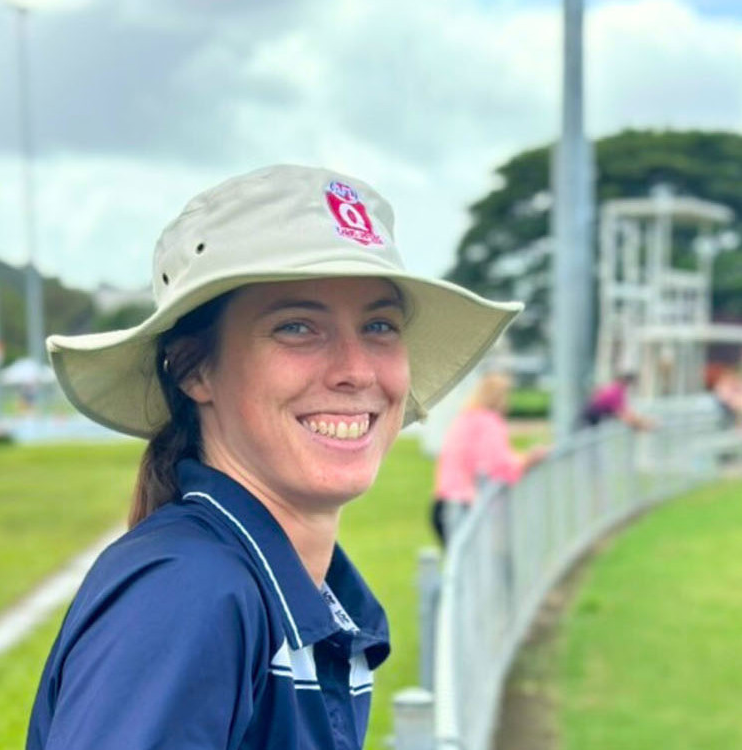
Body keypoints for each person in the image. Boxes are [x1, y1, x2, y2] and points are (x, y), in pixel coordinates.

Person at [26, 165, 521, 750]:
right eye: (296, 327)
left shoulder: (291, 590)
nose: (357, 370)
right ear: (194, 369)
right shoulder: (189, 595)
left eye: (380, 325)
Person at [431, 372, 548, 546]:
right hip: (466, 506)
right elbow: (499, 465)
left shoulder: (464, 418)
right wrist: (530, 460)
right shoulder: (489, 422)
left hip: (443, 504)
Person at [581, 372, 655, 431]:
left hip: (593, 413)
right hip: (592, 414)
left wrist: (641, 422)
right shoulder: (616, 391)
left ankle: (646, 424)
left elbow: (624, 411)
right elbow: (621, 413)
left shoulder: (615, 388)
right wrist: (642, 424)